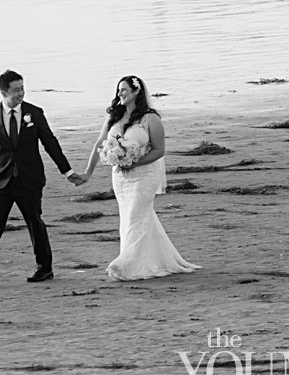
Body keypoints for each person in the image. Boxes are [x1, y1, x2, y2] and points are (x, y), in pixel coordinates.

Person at [71, 74, 197, 280]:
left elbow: (159, 150)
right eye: (118, 90)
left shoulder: (151, 118)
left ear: (136, 91)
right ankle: (149, 260)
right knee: (133, 217)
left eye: (124, 90)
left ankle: (126, 264)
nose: (120, 93)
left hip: (145, 175)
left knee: (135, 216)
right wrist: (88, 173)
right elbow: (99, 145)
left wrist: (134, 162)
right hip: (120, 177)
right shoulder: (114, 116)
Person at [0, 70, 74, 287]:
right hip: (0, 181)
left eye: (22, 88)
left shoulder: (35, 112)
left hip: (29, 180)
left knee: (35, 223)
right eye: (16, 90)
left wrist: (67, 171)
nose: (21, 93)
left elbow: (50, 143)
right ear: (4, 92)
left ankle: (45, 268)